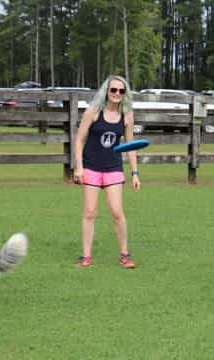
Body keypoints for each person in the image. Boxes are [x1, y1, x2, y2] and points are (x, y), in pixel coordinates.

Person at [73, 75, 140, 269]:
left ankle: (125, 255)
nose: (117, 94)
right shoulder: (93, 112)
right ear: (106, 91)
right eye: (113, 90)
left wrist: (135, 173)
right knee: (90, 212)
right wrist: (79, 167)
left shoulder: (127, 115)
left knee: (117, 212)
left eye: (121, 91)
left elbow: (130, 146)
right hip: (91, 167)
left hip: (113, 168)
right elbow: (79, 140)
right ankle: (86, 257)